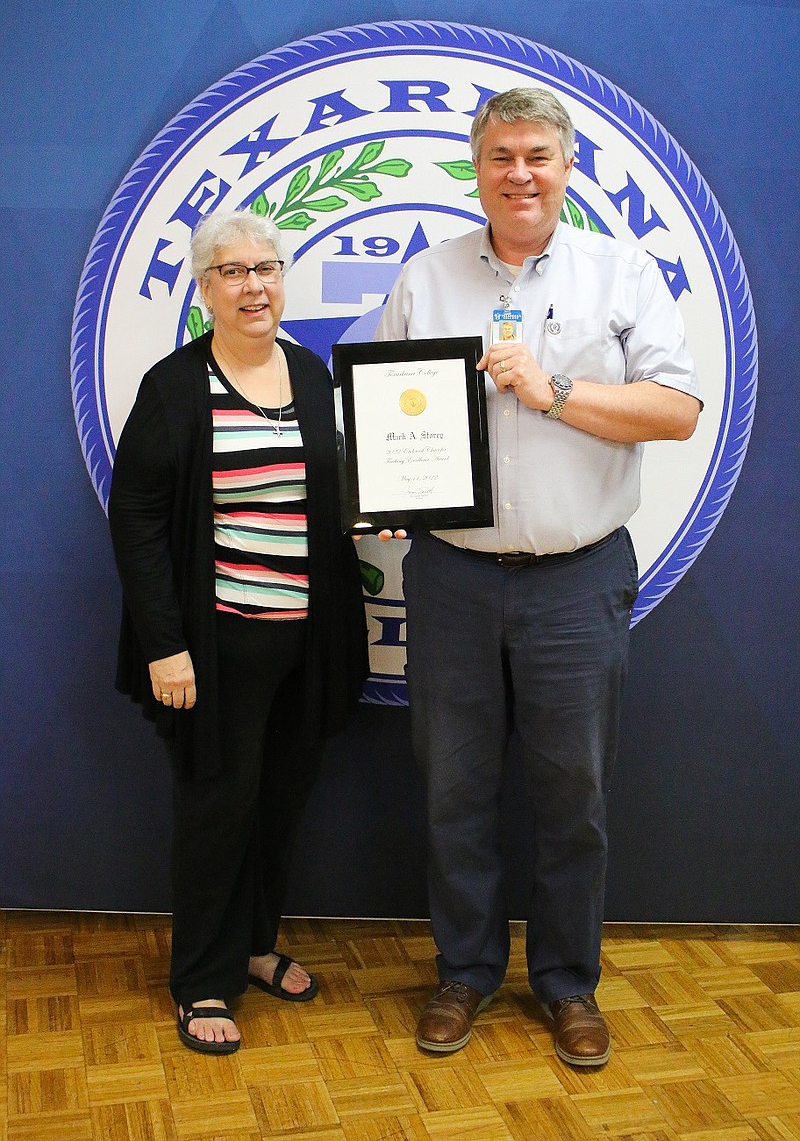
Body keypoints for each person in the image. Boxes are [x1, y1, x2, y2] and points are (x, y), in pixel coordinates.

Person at [373, 87, 701, 1066]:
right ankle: (463, 976)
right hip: (451, 579)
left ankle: (566, 985)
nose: (518, 173)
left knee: (573, 799)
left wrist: (551, 391)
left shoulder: (619, 272)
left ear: (566, 169)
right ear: (475, 168)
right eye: (499, 155)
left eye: (536, 156)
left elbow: (676, 412)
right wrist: (388, 480)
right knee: (452, 795)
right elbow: (387, 410)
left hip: (574, 580)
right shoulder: (424, 279)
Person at [109, 208, 367, 1055]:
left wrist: (382, 514)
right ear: (204, 287)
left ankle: (256, 948)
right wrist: (164, 645)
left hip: (307, 643)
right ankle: (203, 981)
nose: (254, 285)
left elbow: (329, 494)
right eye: (233, 271)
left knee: (281, 804)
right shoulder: (175, 385)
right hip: (213, 649)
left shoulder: (313, 375)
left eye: (267, 267)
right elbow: (138, 521)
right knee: (217, 811)